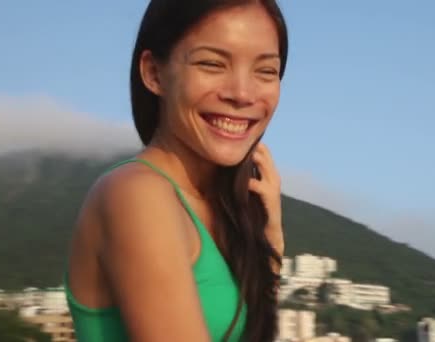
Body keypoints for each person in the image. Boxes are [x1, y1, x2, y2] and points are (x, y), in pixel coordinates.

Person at [64, 1, 289, 341]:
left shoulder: (224, 211)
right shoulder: (137, 194)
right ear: (154, 73)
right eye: (212, 64)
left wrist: (270, 245)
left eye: (266, 71)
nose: (243, 94)